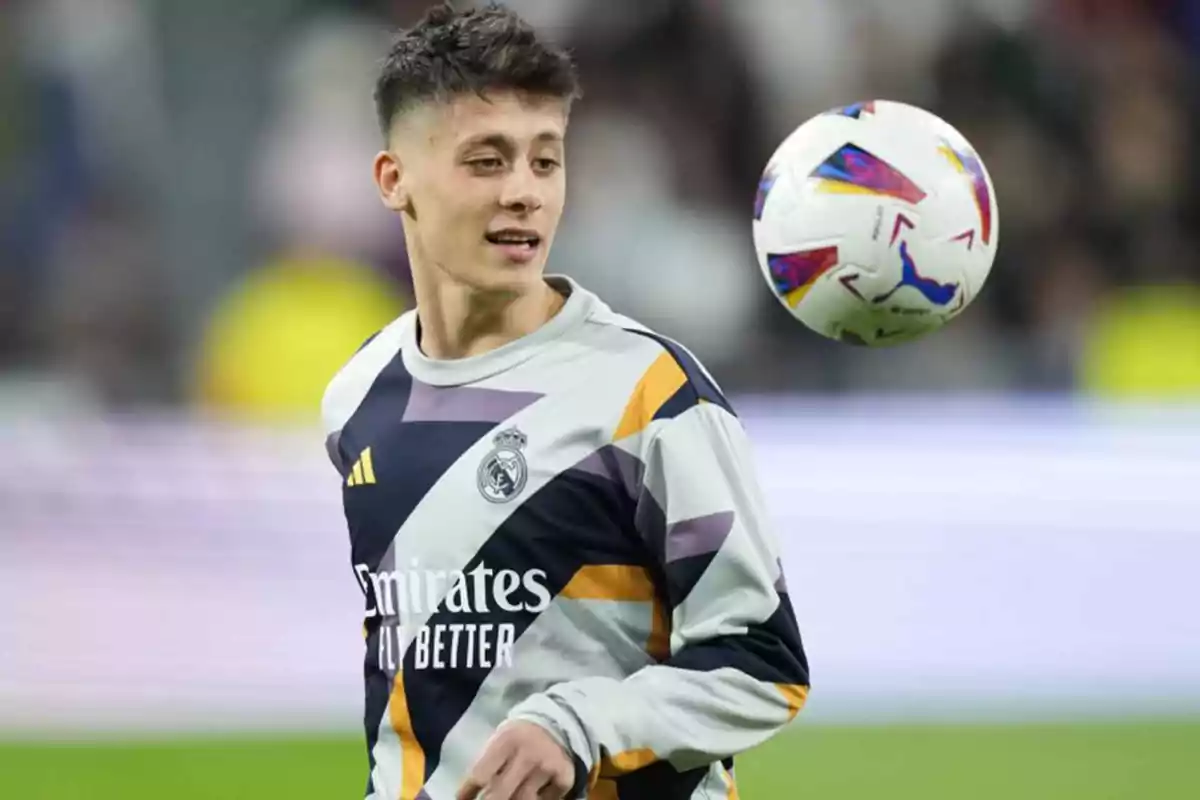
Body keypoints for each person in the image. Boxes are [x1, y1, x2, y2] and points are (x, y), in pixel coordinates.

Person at [320, 4, 810, 798]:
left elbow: (763, 666)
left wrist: (581, 723)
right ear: (394, 180)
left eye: (544, 161)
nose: (524, 193)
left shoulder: (650, 395)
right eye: (486, 161)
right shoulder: (358, 399)